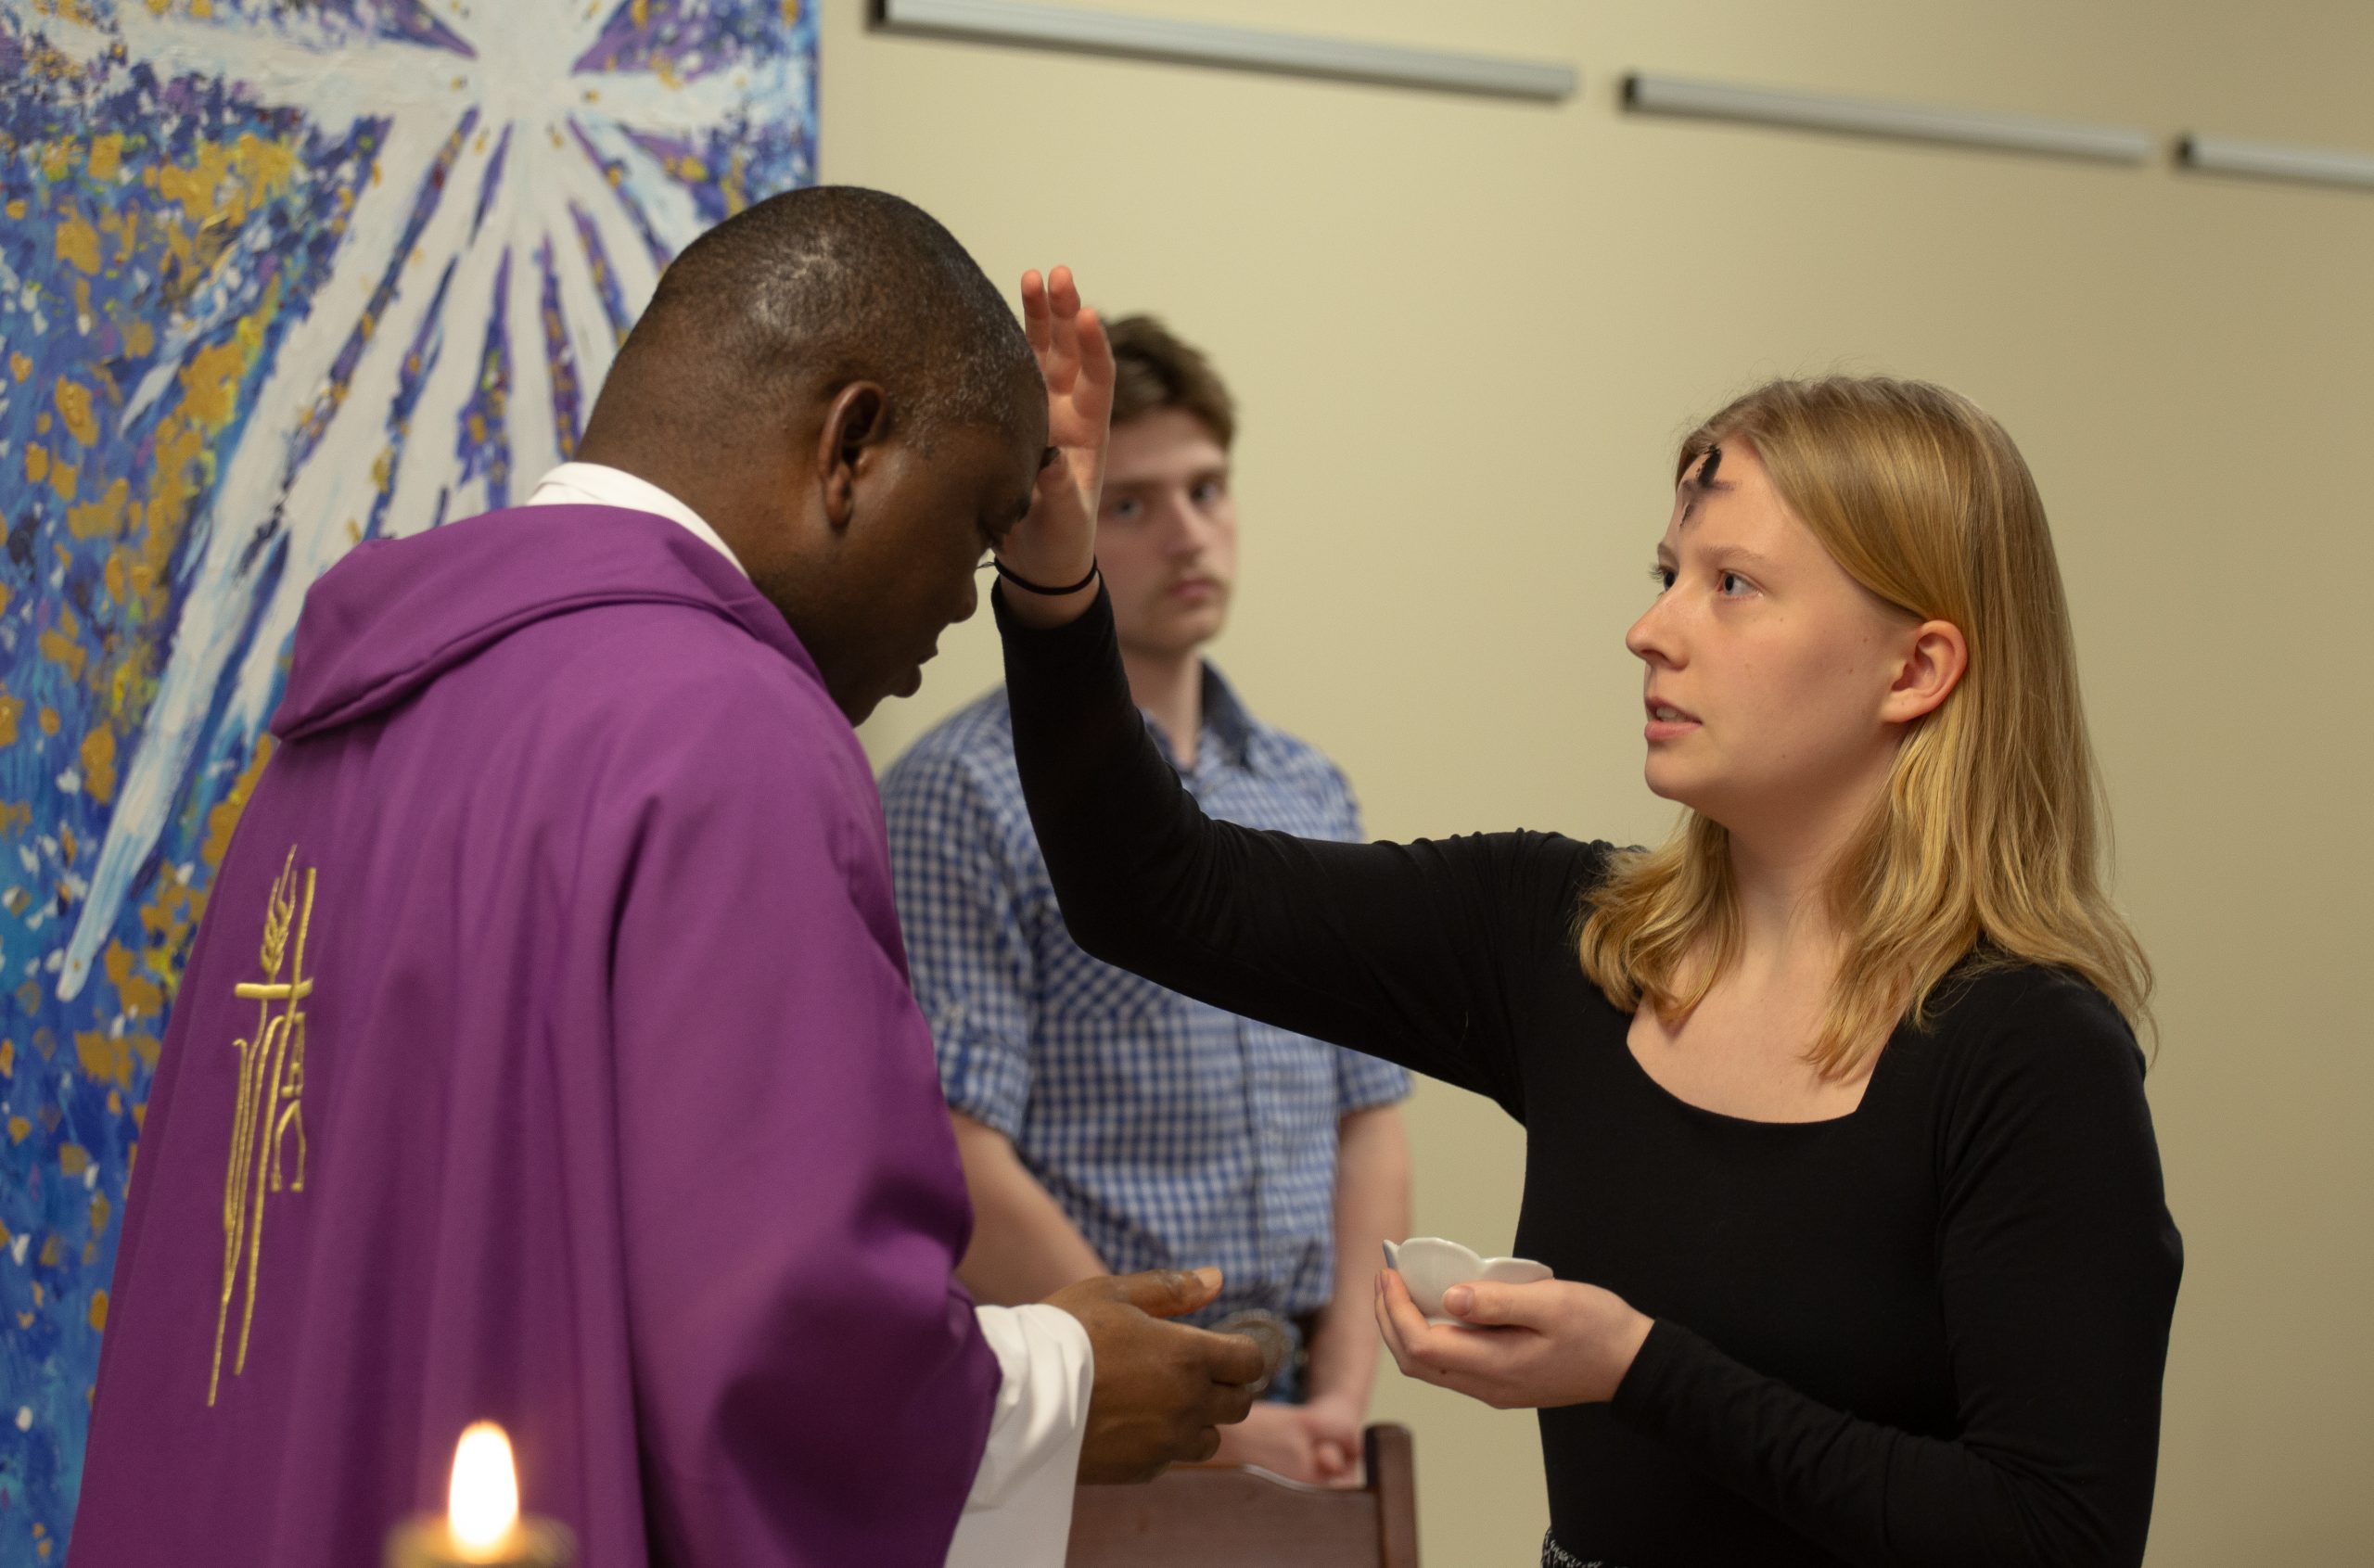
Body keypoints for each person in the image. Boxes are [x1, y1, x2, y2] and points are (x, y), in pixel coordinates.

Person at [67, 189, 1263, 1568]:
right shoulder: (730, 730)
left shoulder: (354, 717)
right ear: (852, 444)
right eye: (982, 522)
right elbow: (779, 1338)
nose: (964, 596)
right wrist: (1060, 1384)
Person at [989, 307, 2183, 1568]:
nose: (1653, 628)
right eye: (1665, 573)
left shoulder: (2031, 1054)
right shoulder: (1568, 938)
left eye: (1731, 585)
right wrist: (1055, 576)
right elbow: (1149, 889)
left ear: (1915, 668)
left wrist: (1637, 1364)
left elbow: (2053, 1533)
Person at [881, 315, 1411, 1485]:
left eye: (1207, 489)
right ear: (1053, 517)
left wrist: (1336, 1393)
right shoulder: (962, 792)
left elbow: (1368, 1104)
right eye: (1131, 503)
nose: (1187, 533)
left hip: (1305, 1400)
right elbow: (958, 1152)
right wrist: (1166, 1379)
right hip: (1098, 1402)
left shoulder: (1304, 785)